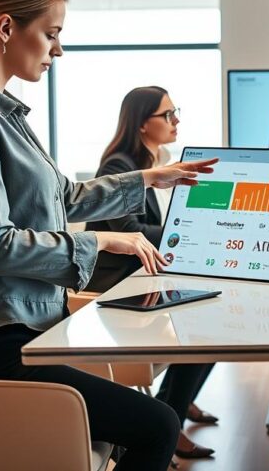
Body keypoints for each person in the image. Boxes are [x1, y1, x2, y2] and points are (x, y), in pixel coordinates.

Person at [0, 0, 217, 471]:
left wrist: (150, 179)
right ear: (6, 28)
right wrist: (106, 243)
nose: (58, 50)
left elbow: (62, 197)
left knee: (145, 420)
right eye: (51, 35)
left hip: (29, 330)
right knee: (158, 425)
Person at [84, 86, 218, 460]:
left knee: (211, 321)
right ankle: (171, 416)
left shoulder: (161, 159)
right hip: (114, 287)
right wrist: (192, 232)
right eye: (168, 115)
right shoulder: (119, 167)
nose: (177, 121)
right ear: (143, 124)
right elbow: (130, 229)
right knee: (205, 329)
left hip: (146, 275)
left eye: (177, 112)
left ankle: (177, 402)